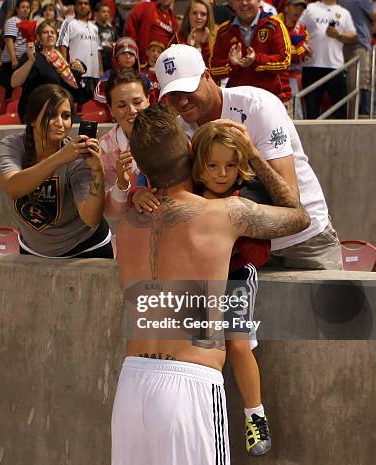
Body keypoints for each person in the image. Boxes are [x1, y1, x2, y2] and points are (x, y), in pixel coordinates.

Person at [112, 105, 310, 465]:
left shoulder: (127, 224)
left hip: (131, 384)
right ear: (191, 152)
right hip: (190, 383)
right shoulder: (223, 215)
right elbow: (299, 216)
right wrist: (252, 155)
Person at [155, 44, 342, 269]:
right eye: (172, 95)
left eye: (187, 89)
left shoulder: (259, 106)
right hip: (240, 248)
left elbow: (292, 200)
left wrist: (252, 154)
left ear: (207, 76)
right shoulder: (178, 129)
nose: (182, 101)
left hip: (304, 241)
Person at [191, 122, 273, 456]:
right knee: (201, 350)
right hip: (200, 283)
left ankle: (256, 416)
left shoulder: (246, 199)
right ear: (199, 167)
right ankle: (205, 420)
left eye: (229, 165)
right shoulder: (189, 195)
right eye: (213, 165)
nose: (222, 173)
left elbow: (261, 255)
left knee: (238, 346)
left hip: (236, 278)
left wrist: (240, 234)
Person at [0, 84, 113, 258]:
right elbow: (13, 188)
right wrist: (60, 157)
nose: (60, 123)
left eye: (66, 116)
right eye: (51, 115)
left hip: (85, 249)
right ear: (32, 120)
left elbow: (91, 219)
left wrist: (97, 171)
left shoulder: (79, 158)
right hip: (32, 250)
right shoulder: (12, 145)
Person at [210, 0, 293, 116]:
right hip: (239, 105)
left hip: (275, 101)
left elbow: (285, 61)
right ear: (232, 3)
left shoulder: (275, 25)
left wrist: (257, 60)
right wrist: (231, 64)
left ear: (259, 1)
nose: (244, 3)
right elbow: (213, 69)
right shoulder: (224, 31)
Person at [11, 20, 85, 121]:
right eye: (45, 32)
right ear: (38, 38)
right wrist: (30, 61)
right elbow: (14, 82)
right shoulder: (33, 55)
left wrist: (79, 72)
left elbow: (74, 91)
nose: (50, 35)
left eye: (52, 32)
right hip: (38, 112)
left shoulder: (61, 60)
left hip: (59, 110)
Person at [99, 69, 149, 217]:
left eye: (137, 102)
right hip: (132, 230)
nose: (132, 110)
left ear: (148, 100)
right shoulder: (105, 149)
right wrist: (123, 186)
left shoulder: (170, 135)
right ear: (111, 110)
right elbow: (110, 211)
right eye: (121, 106)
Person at [299, 0, 357, 119]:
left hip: (335, 67)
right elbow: (297, 28)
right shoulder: (310, 8)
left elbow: (353, 36)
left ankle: (342, 137)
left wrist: (339, 35)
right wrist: (302, 45)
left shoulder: (344, 12)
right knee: (312, 111)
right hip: (312, 66)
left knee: (341, 111)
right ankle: (311, 137)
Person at [57, 0, 102, 102]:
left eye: (86, 3)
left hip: (93, 75)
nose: (83, 6)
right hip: (77, 74)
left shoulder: (94, 27)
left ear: (89, 7)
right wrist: (66, 69)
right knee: (77, 104)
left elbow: (98, 50)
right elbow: (62, 44)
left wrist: (100, 70)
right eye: (80, 3)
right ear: (75, 7)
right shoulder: (68, 23)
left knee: (92, 106)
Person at [279, 0, 311, 118]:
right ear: (286, 7)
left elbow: (300, 54)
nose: (299, 10)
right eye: (295, 6)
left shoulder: (302, 29)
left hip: (291, 76)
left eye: (302, 8)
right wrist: (292, 49)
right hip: (272, 74)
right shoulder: (274, 22)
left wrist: (288, 51)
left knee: (295, 113)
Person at [93, 36, 149, 104]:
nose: (128, 57)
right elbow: (98, 95)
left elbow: (149, 96)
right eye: (123, 54)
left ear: (136, 58)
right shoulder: (109, 75)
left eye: (131, 54)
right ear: (117, 59)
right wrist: (115, 104)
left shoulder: (143, 77)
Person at [124, 0, 179, 64]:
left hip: (162, 63)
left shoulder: (174, 20)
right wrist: (133, 47)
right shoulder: (146, 7)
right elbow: (130, 23)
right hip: (143, 61)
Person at [0, 0, 31, 98]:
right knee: (9, 94)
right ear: (17, 9)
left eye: (27, 7)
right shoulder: (12, 21)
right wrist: (14, 59)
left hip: (22, 62)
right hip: (11, 63)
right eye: (23, 7)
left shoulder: (27, 23)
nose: (25, 9)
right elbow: (9, 40)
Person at [177, 0, 217, 65]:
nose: (198, 17)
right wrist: (188, 47)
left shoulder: (218, 36)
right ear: (188, 15)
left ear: (208, 17)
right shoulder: (178, 36)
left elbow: (214, 67)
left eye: (203, 14)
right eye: (194, 13)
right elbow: (177, 65)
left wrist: (205, 45)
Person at [94, 2, 117, 72]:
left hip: (111, 63)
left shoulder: (112, 30)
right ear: (96, 13)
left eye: (108, 12)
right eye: (103, 12)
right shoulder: (93, 29)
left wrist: (113, 44)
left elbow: (117, 43)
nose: (106, 14)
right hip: (97, 64)